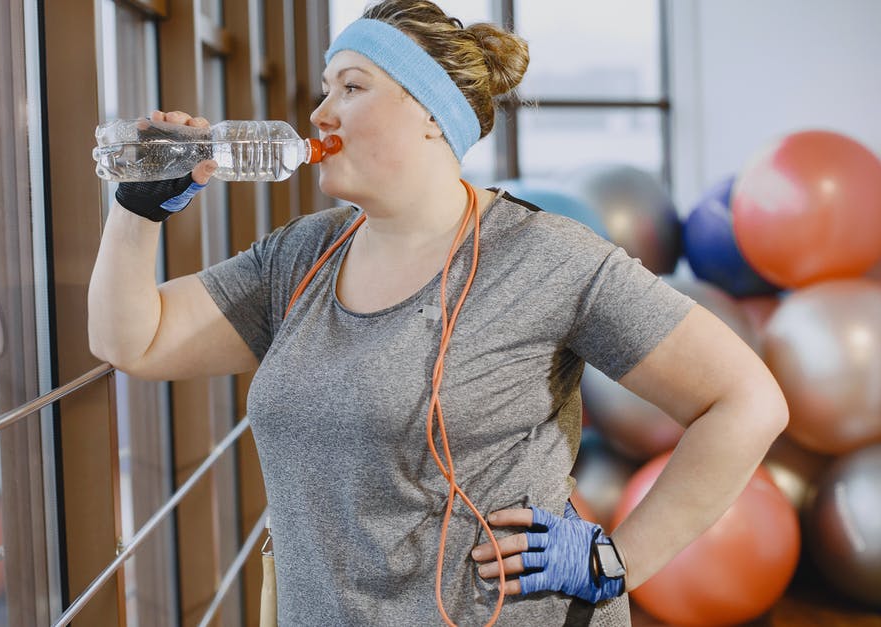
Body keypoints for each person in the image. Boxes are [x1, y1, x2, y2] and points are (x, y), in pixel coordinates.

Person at [87, 1, 788, 624]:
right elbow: (135, 339)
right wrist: (138, 208)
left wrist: (618, 558)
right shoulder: (301, 255)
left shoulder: (544, 256)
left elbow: (747, 401)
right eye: (326, 89)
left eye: (352, 88)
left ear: (431, 112)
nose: (319, 114)